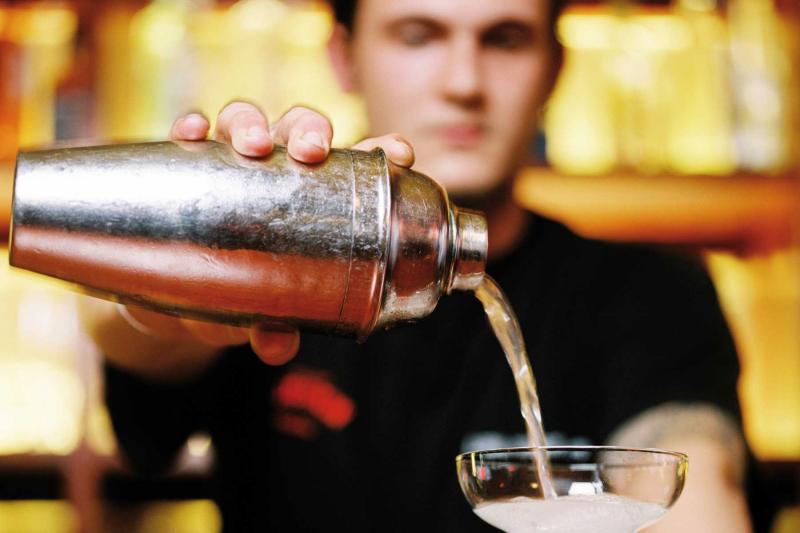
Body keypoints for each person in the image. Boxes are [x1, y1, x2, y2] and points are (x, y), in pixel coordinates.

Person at [83, 0, 759, 530]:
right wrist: (169, 285)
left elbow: (691, 473)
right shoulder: (271, 268)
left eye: (505, 39)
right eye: (417, 35)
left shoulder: (649, 294)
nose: (463, 82)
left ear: (555, 66)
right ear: (345, 57)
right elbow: (124, 334)